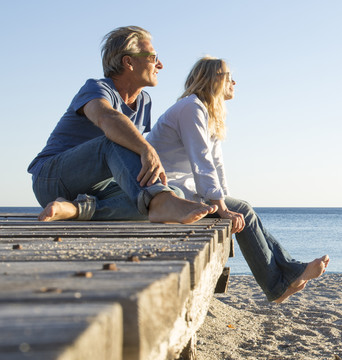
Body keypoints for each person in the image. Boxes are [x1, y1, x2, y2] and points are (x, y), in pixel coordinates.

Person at [146, 57, 328, 303]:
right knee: (242, 208)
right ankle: (278, 285)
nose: (234, 82)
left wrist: (226, 206)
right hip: (168, 192)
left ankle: (289, 273)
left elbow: (217, 165)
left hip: (186, 190)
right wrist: (222, 208)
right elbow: (202, 161)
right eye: (228, 76)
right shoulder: (192, 108)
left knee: (241, 207)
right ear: (214, 79)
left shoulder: (207, 112)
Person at [28, 26, 217, 223]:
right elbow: (107, 118)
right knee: (116, 139)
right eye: (153, 57)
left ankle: (75, 209)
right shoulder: (96, 88)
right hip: (51, 179)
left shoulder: (144, 101)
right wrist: (146, 149)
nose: (160, 65)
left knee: (171, 192)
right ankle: (160, 202)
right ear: (128, 61)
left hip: (97, 187)